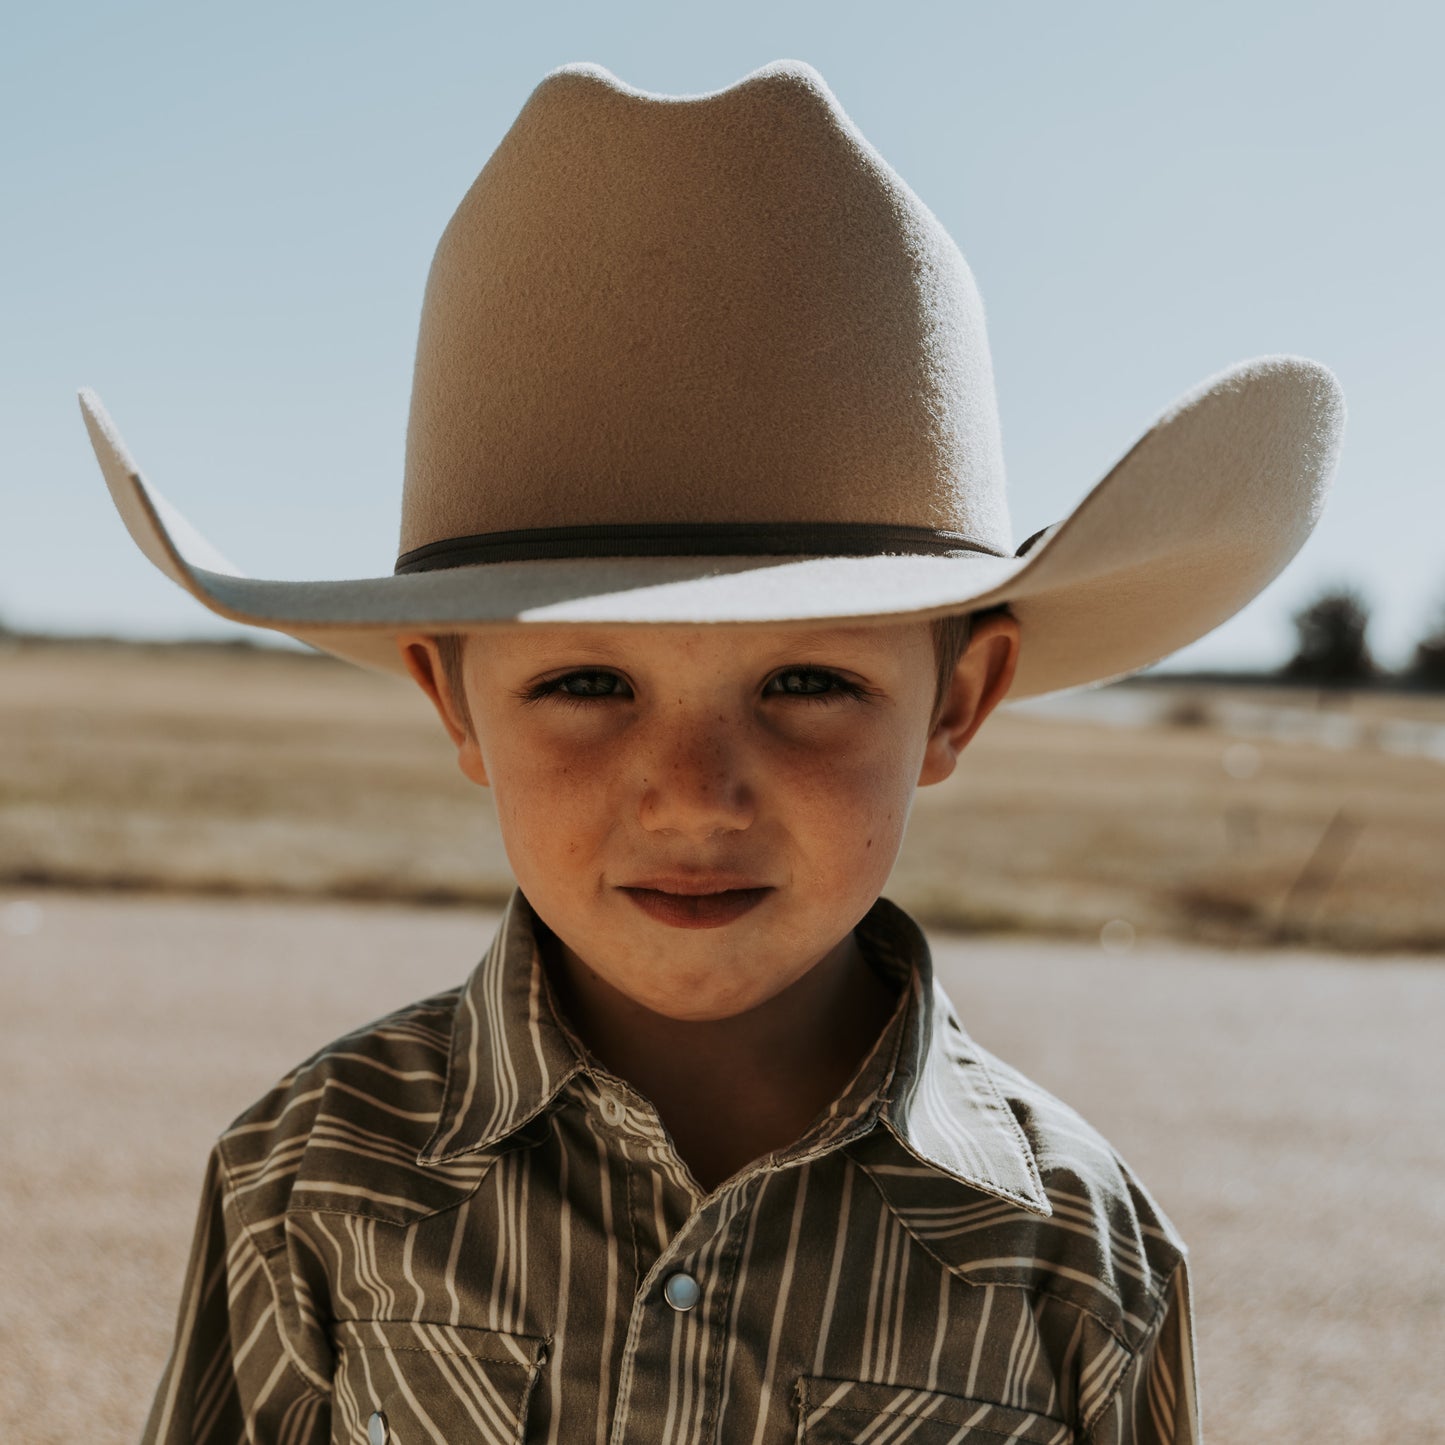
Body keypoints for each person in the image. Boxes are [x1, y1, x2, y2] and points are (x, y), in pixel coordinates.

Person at [82, 59, 1344, 1445]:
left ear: (956, 702)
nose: (691, 793)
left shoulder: (1068, 1251)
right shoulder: (312, 1177)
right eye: (583, 682)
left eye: (807, 680)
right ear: (452, 703)